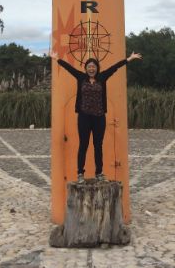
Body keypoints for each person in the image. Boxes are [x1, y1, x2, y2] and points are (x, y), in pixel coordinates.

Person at [50, 50, 142, 183]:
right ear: (86, 68)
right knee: (83, 145)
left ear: (97, 68)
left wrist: (129, 59)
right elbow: (69, 68)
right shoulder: (81, 77)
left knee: (98, 145)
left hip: (99, 117)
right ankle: (80, 173)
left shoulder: (102, 77)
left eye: (93, 67)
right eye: (89, 67)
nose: (91, 69)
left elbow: (115, 67)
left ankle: (99, 173)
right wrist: (56, 59)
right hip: (84, 117)